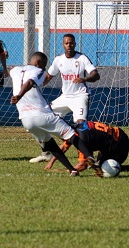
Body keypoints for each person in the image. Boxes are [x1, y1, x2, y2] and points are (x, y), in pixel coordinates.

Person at [10, 52, 94, 176]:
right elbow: (29, 83)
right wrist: (19, 95)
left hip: (25, 119)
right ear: (38, 63)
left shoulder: (15, 70)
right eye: (44, 65)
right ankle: (90, 158)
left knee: (50, 143)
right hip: (42, 114)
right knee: (72, 135)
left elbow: (14, 75)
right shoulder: (39, 71)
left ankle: (72, 170)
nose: (44, 69)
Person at [30, 33, 100, 168]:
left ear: (75, 44)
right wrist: (35, 86)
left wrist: (84, 79)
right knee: (39, 117)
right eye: (67, 43)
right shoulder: (58, 60)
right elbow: (48, 76)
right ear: (63, 44)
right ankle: (46, 153)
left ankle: (85, 157)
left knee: (81, 125)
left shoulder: (82, 58)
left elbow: (95, 75)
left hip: (80, 96)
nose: (69, 45)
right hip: (65, 97)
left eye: (71, 43)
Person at [45, 121, 129, 177]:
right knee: (97, 164)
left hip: (118, 147)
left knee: (103, 168)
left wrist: (68, 170)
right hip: (118, 135)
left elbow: (83, 165)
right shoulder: (76, 128)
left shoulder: (81, 140)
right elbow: (64, 146)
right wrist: (51, 162)